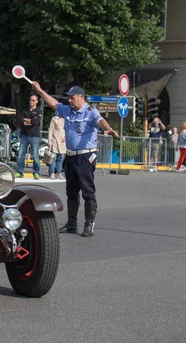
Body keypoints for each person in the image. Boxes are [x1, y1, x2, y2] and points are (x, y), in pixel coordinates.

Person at [32, 83, 119, 237]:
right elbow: (53, 103)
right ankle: (72, 224)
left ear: (81, 97)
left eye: (72, 98)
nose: (70, 101)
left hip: (85, 156)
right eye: (69, 98)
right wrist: (39, 91)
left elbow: (100, 122)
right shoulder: (68, 111)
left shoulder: (91, 112)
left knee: (87, 191)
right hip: (71, 156)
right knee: (71, 192)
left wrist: (108, 129)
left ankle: (89, 224)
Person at [15, 94, 42, 179]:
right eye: (30, 100)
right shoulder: (24, 110)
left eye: (33, 100)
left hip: (34, 136)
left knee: (35, 155)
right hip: (24, 135)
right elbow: (20, 120)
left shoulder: (38, 111)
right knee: (20, 155)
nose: (31, 101)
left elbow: (35, 122)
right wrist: (29, 121)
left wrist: (28, 121)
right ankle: (19, 172)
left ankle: (36, 173)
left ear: (37, 102)